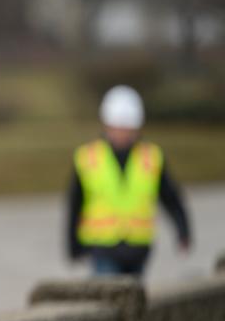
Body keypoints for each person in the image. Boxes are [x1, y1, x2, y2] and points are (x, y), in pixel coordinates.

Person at [67, 85, 191, 276]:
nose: (122, 133)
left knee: (133, 299)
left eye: (127, 128)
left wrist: (183, 231)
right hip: (102, 248)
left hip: (138, 249)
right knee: (109, 297)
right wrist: (73, 246)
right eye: (118, 128)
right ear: (106, 126)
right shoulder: (88, 158)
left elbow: (171, 198)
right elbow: (75, 204)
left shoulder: (151, 158)